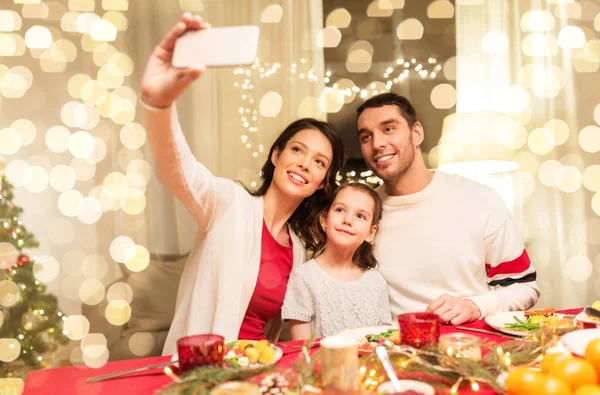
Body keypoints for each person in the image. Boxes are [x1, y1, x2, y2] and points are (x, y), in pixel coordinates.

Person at [139, 13, 346, 355]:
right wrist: (157, 103)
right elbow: (176, 169)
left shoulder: (297, 250)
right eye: (297, 150)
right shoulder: (227, 204)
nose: (304, 164)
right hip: (204, 373)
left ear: (321, 183)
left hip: (260, 370)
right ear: (276, 155)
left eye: (319, 162)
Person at [355, 92, 540, 326]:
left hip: (471, 347)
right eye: (366, 137)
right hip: (394, 352)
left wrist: (476, 306)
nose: (377, 143)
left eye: (388, 129)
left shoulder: (479, 200)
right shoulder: (363, 214)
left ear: (417, 133)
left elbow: (524, 286)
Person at [282, 183, 392, 339]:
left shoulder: (377, 282)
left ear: (371, 233)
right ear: (325, 219)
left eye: (360, 216)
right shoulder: (303, 278)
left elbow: (384, 341)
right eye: (340, 210)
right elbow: (302, 349)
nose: (347, 220)